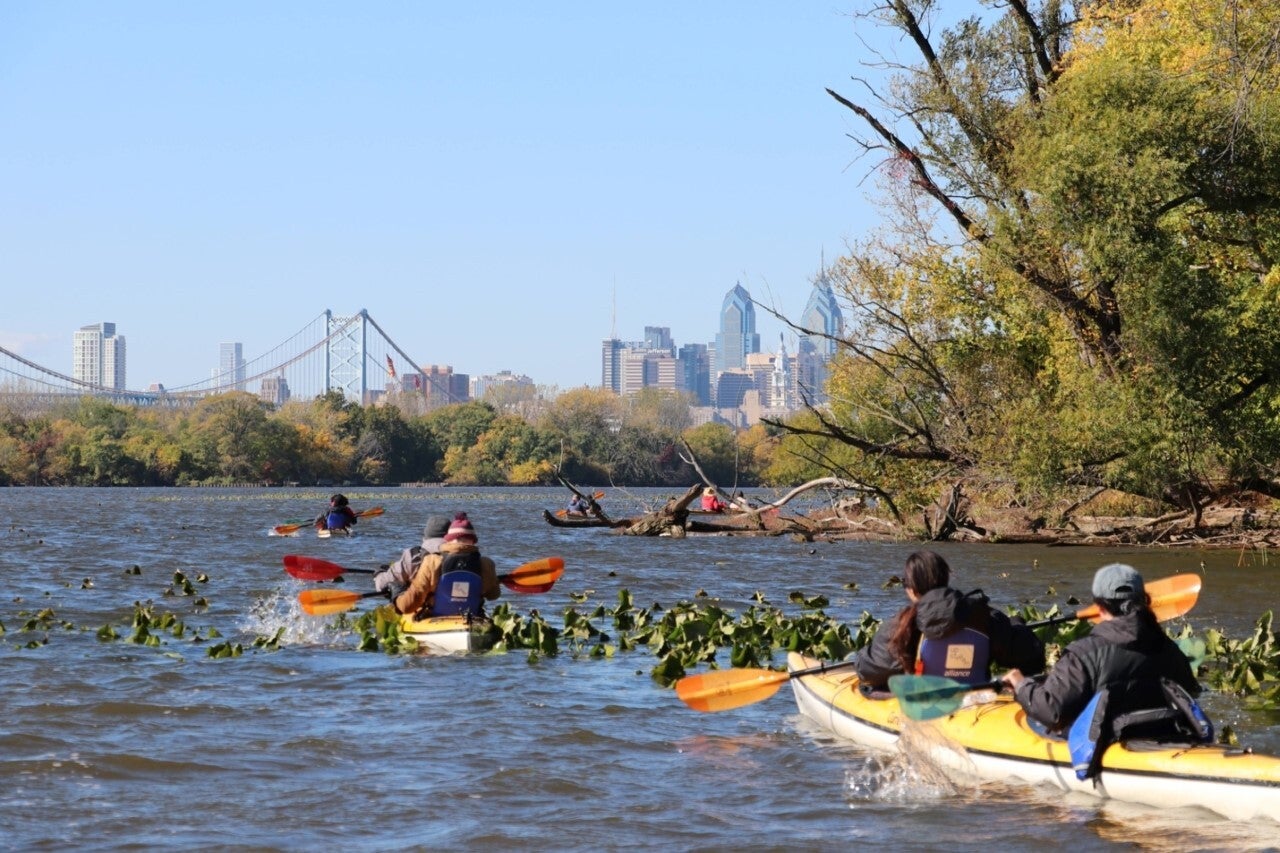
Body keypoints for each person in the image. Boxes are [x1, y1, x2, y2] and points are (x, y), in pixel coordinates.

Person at [1002, 563, 1205, 741]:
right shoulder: (1169, 649)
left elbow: (1052, 713)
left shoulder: (1083, 653)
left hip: (1107, 747)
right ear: (1144, 600)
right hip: (1164, 740)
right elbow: (1191, 694)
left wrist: (1022, 685)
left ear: (1099, 606)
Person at [853, 550, 1045, 692]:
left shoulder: (902, 625)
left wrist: (862, 656)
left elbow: (867, 671)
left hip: (927, 707)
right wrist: (1017, 625)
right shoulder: (984, 616)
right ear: (945, 580)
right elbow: (1032, 658)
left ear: (911, 589)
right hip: (974, 701)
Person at [385, 512, 500, 618]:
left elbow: (408, 605)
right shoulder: (486, 563)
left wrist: (397, 596)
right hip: (470, 616)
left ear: (448, 540)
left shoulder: (432, 562)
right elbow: (493, 595)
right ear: (473, 541)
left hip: (436, 617)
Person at [373, 514, 452, 597]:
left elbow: (382, 585)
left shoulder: (413, 557)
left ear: (425, 537)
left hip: (422, 607)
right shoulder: (460, 556)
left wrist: (379, 574)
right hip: (456, 607)